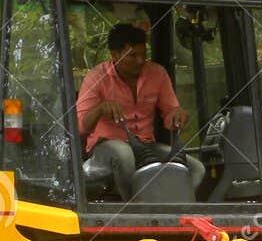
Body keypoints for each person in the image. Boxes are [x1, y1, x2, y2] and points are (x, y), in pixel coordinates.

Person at [75, 23, 197, 196]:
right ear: (114, 55)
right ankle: (135, 210)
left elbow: (171, 112)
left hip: (146, 147)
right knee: (124, 155)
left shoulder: (157, 73)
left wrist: (177, 115)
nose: (140, 61)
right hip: (105, 148)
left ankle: (179, 213)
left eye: (143, 54)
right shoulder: (96, 77)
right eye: (132, 56)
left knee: (195, 168)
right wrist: (100, 109)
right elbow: (80, 126)